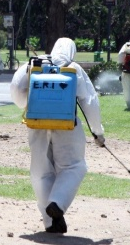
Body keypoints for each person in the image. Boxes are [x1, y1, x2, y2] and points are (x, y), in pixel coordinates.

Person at [10, 38, 106, 234]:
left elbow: (16, 89)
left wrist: (27, 104)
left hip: (37, 124)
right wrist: (98, 132)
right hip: (67, 125)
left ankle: (50, 221)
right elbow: (90, 102)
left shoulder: (33, 64)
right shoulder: (74, 68)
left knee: (41, 172)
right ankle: (57, 203)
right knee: (74, 166)